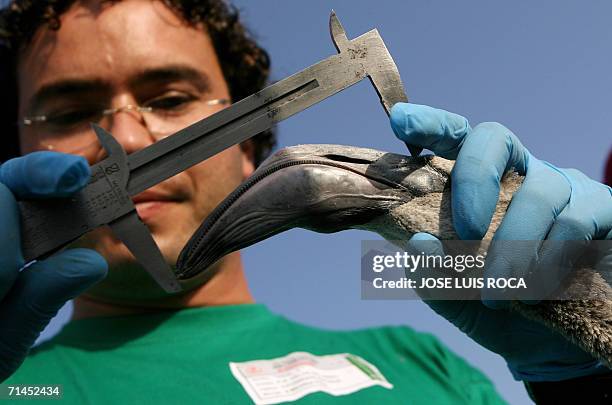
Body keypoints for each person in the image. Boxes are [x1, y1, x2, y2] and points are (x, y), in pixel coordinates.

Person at [0, 0, 610, 404]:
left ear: (250, 142)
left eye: (172, 99)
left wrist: (586, 382)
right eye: (71, 112)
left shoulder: (424, 364)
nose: (128, 141)